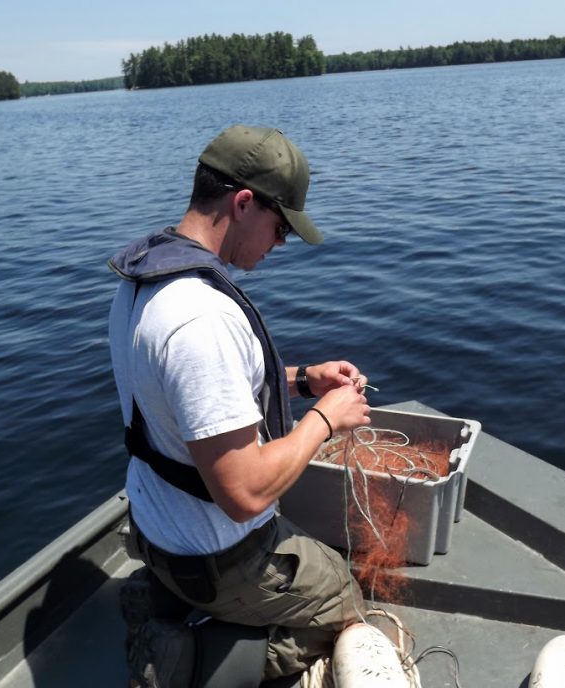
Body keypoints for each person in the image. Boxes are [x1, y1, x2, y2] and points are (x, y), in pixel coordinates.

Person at [107, 124, 371, 683]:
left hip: (155, 533)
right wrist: (326, 419)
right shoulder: (202, 319)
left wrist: (303, 381)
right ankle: (191, 661)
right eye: (280, 228)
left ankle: (158, 601)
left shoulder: (144, 280)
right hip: (215, 559)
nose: (280, 244)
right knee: (348, 603)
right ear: (243, 202)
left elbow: (193, 397)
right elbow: (244, 493)